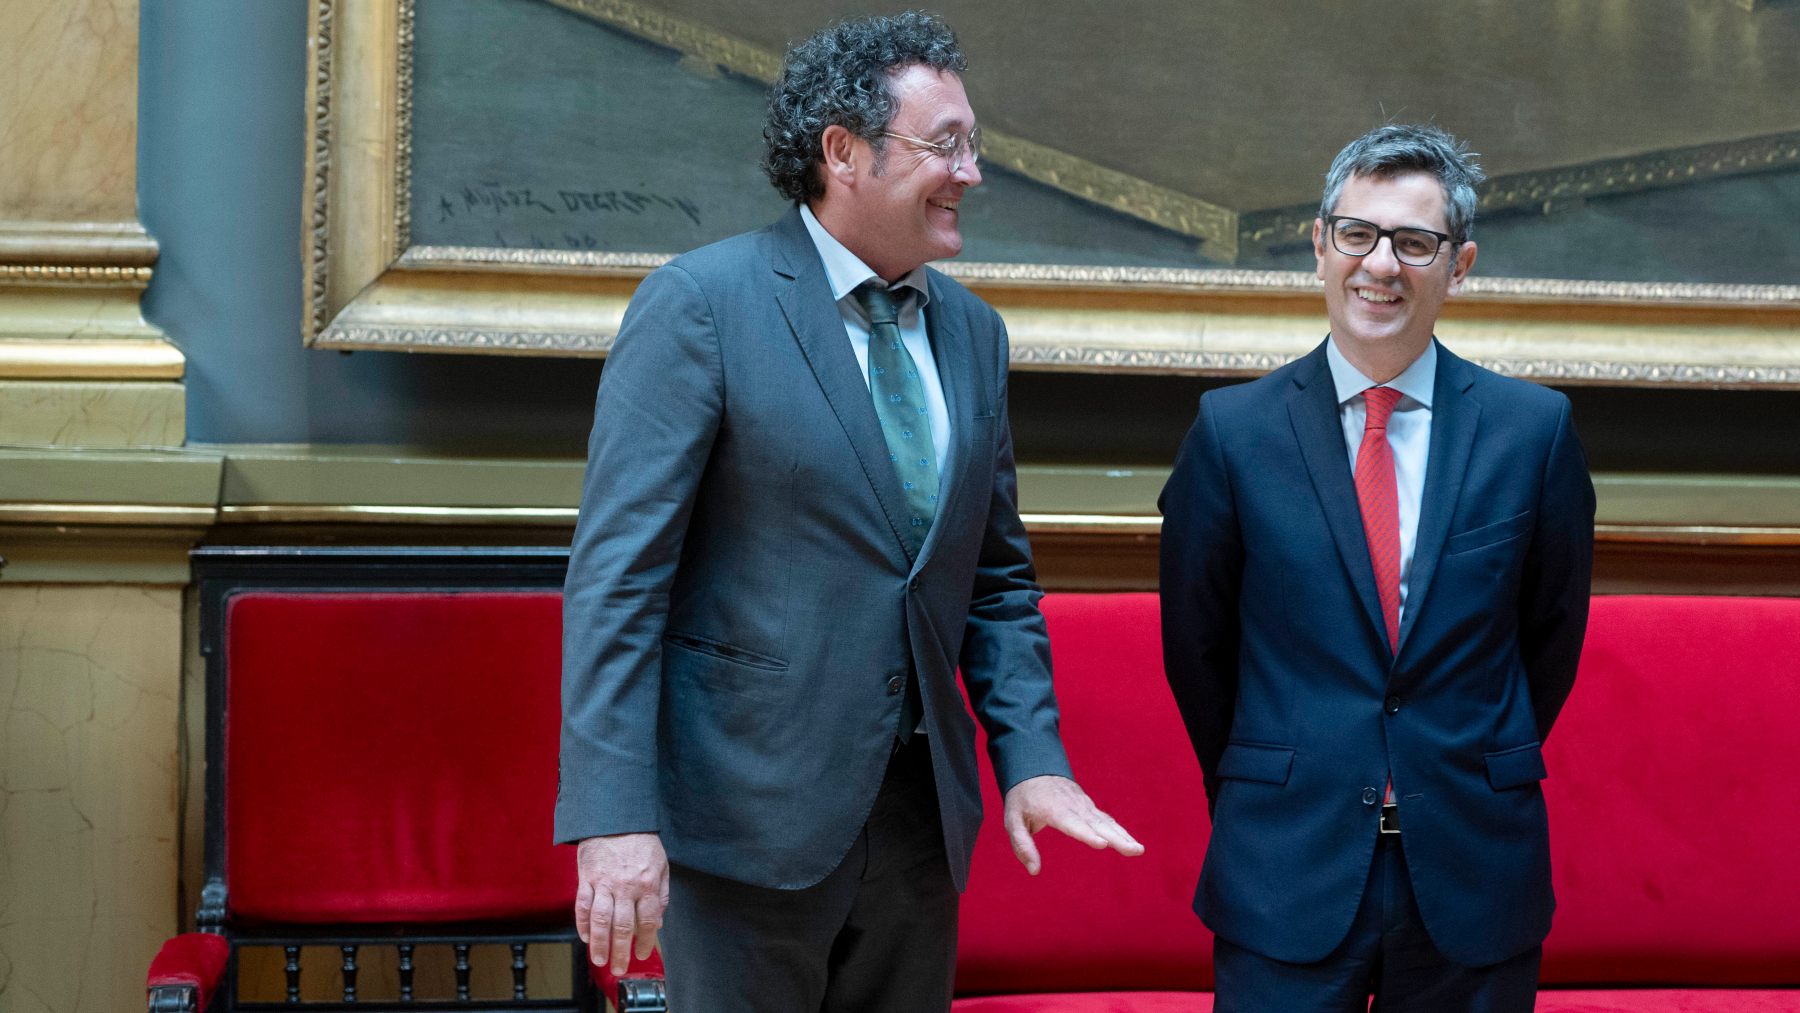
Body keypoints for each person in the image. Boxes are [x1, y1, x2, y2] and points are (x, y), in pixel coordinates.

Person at [555, 13, 1141, 1011]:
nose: (972, 171)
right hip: (745, 822)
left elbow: (993, 580)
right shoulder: (703, 304)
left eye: (974, 144)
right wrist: (613, 818)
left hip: (918, 827)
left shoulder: (973, 333)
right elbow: (619, 580)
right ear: (844, 152)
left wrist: (1032, 760)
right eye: (945, 144)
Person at [1159, 123, 1595, 1011]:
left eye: (1414, 241)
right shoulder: (1234, 434)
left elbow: (1549, 637)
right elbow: (1197, 649)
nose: (1381, 265)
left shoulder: (1532, 431)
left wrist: (1460, 760)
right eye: (1357, 233)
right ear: (1320, 245)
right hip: (1286, 860)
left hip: (1473, 864)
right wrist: (1273, 771)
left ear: (1459, 262)